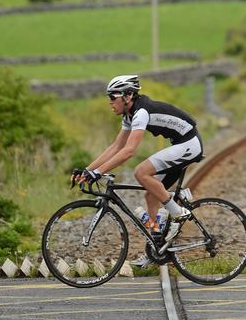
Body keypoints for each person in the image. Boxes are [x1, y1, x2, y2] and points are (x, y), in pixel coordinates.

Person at [73, 74, 204, 266]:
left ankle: (177, 212)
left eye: (112, 97)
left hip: (189, 144)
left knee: (141, 172)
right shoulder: (129, 114)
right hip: (180, 143)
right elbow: (115, 147)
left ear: (127, 96)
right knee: (151, 196)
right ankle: (156, 250)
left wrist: (99, 172)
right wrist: (88, 170)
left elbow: (128, 151)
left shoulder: (141, 112)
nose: (110, 102)